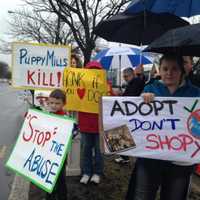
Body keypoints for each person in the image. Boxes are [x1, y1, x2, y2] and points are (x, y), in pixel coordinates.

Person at [126, 54, 200, 200]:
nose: (169, 73)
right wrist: (142, 100)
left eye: (174, 69)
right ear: (159, 70)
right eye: (165, 68)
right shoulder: (150, 88)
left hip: (181, 162)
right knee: (143, 196)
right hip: (150, 159)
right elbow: (137, 120)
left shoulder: (196, 94)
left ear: (182, 71)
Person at [79, 61, 104, 185]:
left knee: (100, 152)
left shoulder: (105, 85)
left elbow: (111, 100)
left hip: (100, 126)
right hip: (85, 125)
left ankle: (97, 173)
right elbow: (73, 98)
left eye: (97, 70)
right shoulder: (80, 85)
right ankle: (86, 172)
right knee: (85, 150)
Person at [115, 67, 145, 164]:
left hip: (132, 113)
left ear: (132, 75)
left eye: (126, 76)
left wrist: (121, 95)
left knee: (123, 133)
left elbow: (130, 97)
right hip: (132, 113)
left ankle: (125, 156)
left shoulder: (135, 82)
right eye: (124, 76)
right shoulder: (133, 83)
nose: (124, 78)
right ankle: (124, 156)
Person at [45, 89, 69, 200]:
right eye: (51, 103)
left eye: (57, 103)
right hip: (47, 152)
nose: (54, 106)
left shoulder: (66, 118)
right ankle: (49, 196)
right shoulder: (45, 115)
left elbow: (73, 133)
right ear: (48, 102)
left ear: (63, 103)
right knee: (47, 176)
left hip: (60, 154)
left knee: (60, 178)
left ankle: (62, 196)